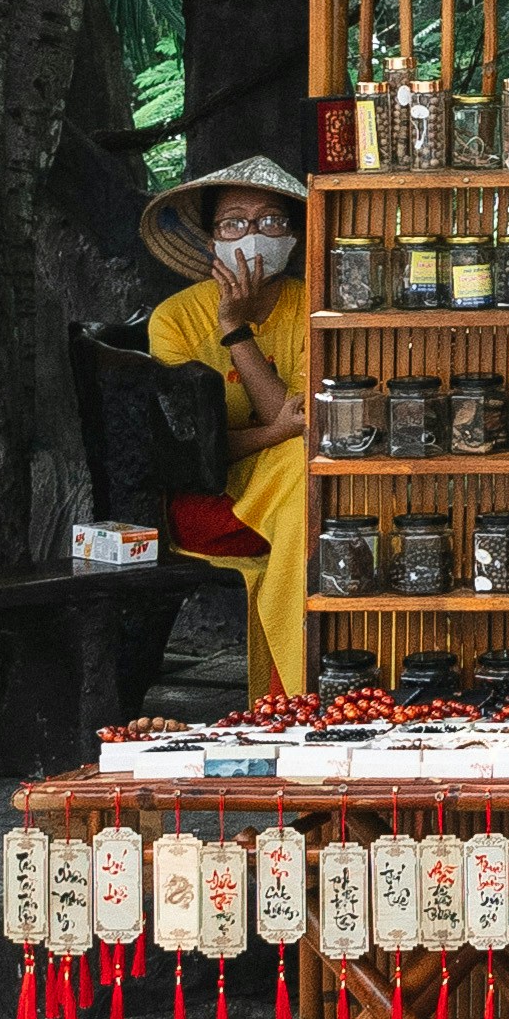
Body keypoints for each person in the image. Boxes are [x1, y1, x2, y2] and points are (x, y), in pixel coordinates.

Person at [139, 156, 313, 698]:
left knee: (307, 478)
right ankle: (299, 694)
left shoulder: (314, 308)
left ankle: (292, 696)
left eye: (270, 222)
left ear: (294, 236)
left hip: (289, 496)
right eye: (234, 223)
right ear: (211, 240)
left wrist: (238, 335)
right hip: (207, 503)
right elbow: (188, 451)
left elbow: (308, 421)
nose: (252, 236)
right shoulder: (174, 319)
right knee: (302, 474)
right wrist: (231, 327)